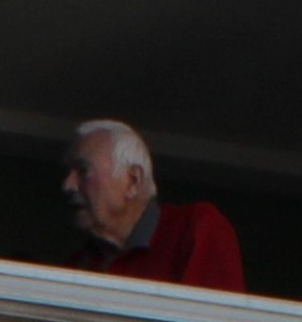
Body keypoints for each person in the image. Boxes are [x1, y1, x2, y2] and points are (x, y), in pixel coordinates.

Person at [63, 117, 246, 291]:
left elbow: (210, 320)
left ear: (133, 181)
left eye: (83, 170)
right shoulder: (77, 265)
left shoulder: (196, 228)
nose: (68, 185)